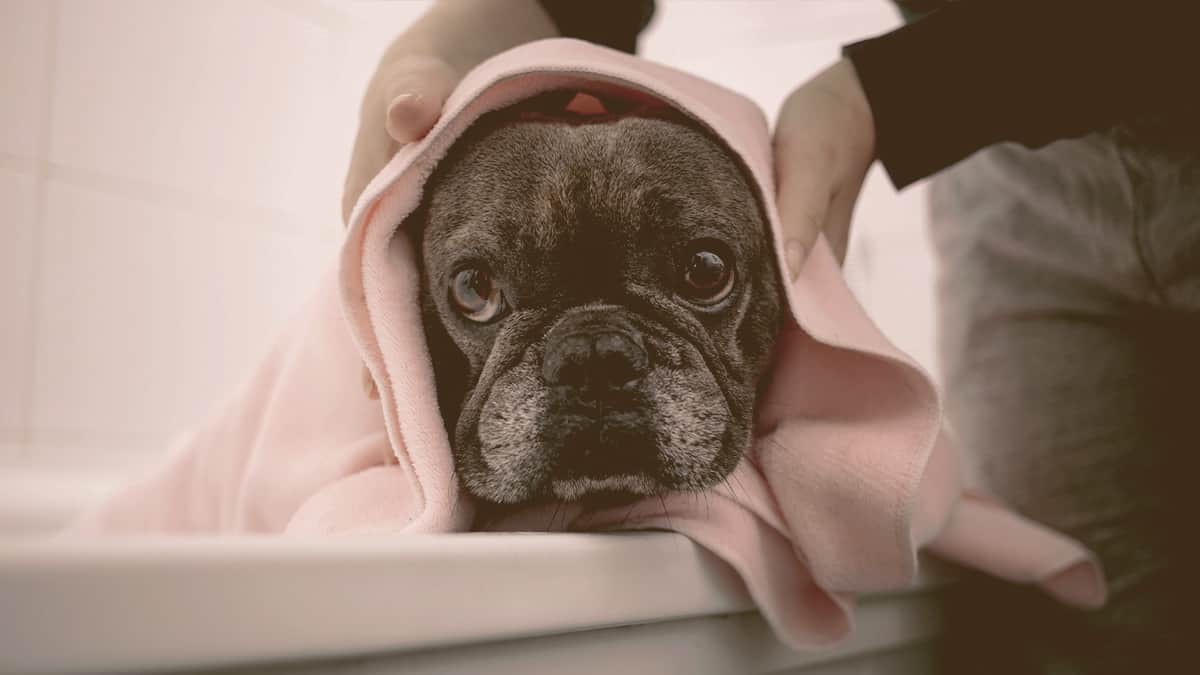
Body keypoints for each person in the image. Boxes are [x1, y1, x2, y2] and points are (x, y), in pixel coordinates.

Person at [343, 1, 1198, 671]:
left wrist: (886, 96)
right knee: (1083, 637)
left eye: (703, 273)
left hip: (1046, 85)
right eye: (481, 289)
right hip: (1017, 153)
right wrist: (450, 33)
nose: (598, 366)